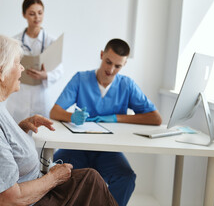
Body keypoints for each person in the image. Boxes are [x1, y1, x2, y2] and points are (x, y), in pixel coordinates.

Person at [0, 34, 118, 206]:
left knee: (90, 178)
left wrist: (19, 129)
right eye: (17, 63)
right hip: (21, 202)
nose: (22, 68)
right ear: (0, 72)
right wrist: (53, 178)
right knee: (91, 184)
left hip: (28, 191)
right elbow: (10, 199)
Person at [50, 38, 162, 206]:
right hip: (78, 147)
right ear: (102, 55)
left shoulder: (127, 85)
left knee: (126, 178)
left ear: (124, 65)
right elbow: (55, 111)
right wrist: (71, 117)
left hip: (107, 152)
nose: (110, 70)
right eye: (108, 62)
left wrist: (117, 117)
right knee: (51, 172)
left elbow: (155, 118)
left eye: (117, 66)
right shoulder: (81, 79)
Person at [6, 0, 63, 123]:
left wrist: (45, 75)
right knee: (17, 132)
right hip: (19, 96)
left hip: (41, 97)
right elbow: (6, 66)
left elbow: (59, 70)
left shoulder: (51, 42)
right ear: (24, 15)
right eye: (32, 14)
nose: (37, 17)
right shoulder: (14, 41)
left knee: (40, 136)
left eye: (40, 13)